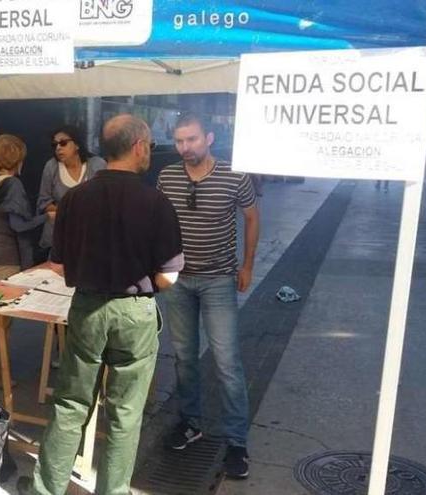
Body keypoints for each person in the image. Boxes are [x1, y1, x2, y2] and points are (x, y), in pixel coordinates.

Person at [18, 115, 184, 495]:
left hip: (86, 309)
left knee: (70, 404)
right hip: (134, 311)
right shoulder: (156, 202)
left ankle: (47, 489)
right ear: (140, 145)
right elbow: (169, 278)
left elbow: (58, 264)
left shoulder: (74, 199)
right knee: (125, 413)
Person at [156, 113, 259, 479]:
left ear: (210, 138)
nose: (185, 147)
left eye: (193, 139)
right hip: (178, 281)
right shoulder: (167, 176)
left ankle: (236, 441)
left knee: (227, 362)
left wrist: (246, 265)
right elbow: (159, 220)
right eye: (180, 141)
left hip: (218, 280)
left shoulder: (235, 174)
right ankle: (190, 422)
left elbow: (251, 217)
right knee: (184, 358)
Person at [0, 134, 48, 384]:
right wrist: (47, 217)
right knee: (1, 324)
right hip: (4, 261)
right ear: (18, 159)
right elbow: (19, 226)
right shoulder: (13, 186)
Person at [36, 125, 106, 253]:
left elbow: (107, 200)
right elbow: (43, 203)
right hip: (58, 239)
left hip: (91, 236)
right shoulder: (51, 166)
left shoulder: (97, 165)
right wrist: (73, 210)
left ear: (77, 144)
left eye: (63, 143)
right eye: (55, 144)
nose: (58, 148)